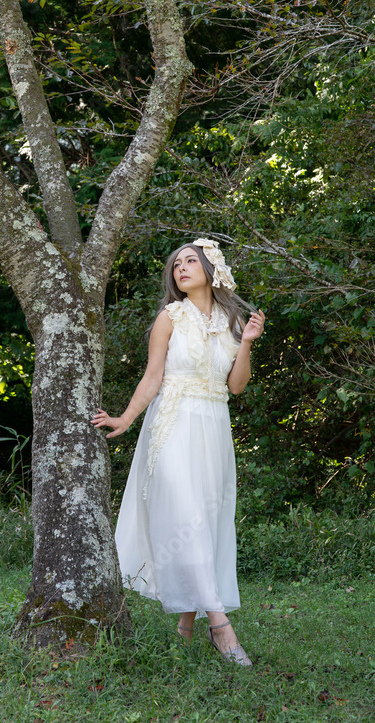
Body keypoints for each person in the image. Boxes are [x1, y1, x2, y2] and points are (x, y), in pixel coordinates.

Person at [91, 239, 265, 666]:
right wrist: (125, 418)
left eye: (190, 261)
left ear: (211, 268)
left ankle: (185, 629)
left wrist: (247, 342)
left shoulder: (233, 319)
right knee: (187, 515)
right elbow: (152, 378)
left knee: (204, 522)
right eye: (176, 265)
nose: (181, 269)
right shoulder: (170, 317)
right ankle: (221, 628)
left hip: (213, 428)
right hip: (171, 426)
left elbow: (237, 385)